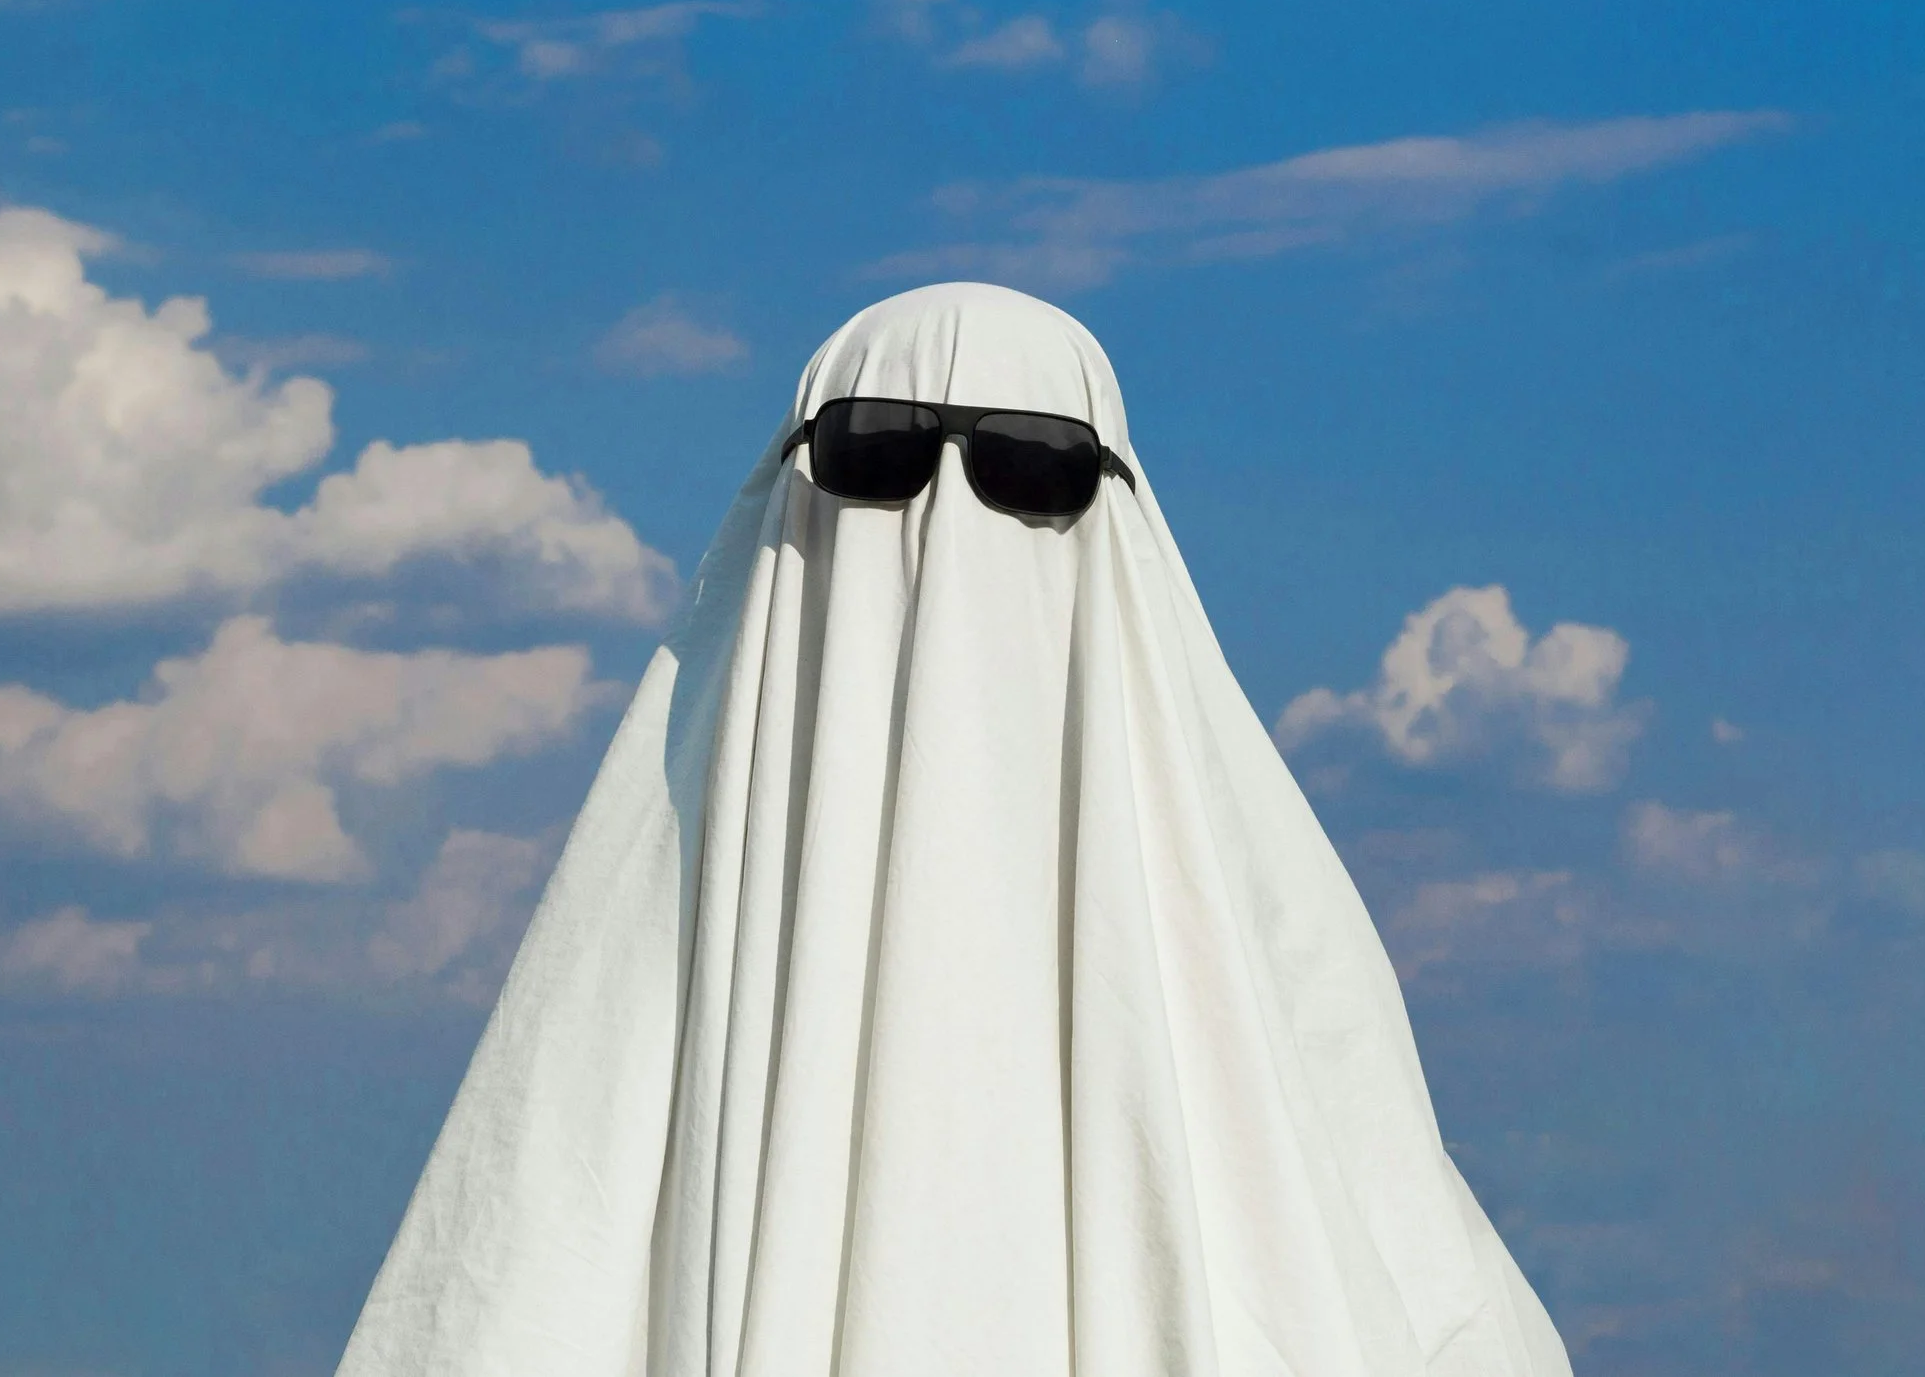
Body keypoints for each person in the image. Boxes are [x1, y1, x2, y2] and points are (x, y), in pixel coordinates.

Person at [334, 282, 1573, 1376]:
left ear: (1109, 495)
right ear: (793, 473)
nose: (941, 510)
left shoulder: (1257, 899)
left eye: (1031, 466)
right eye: (877, 455)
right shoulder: (666, 857)